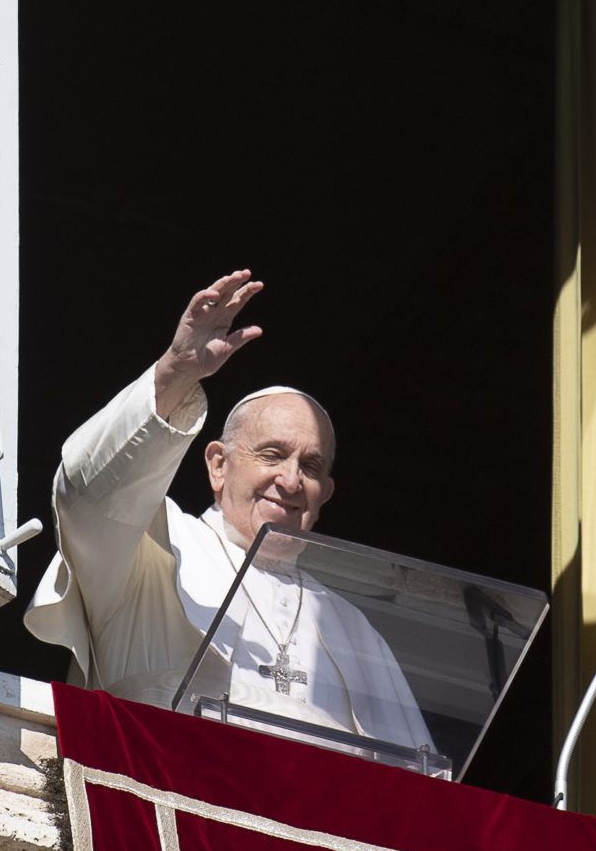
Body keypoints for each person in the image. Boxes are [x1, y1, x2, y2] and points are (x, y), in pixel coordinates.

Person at [25, 271, 432, 754]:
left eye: (310, 467)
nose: (290, 481)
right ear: (218, 465)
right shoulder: (154, 547)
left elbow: (418, 779)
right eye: (272, 455)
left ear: (325, 493)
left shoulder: (356, 630)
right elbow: (85, 494)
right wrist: (175, 372)